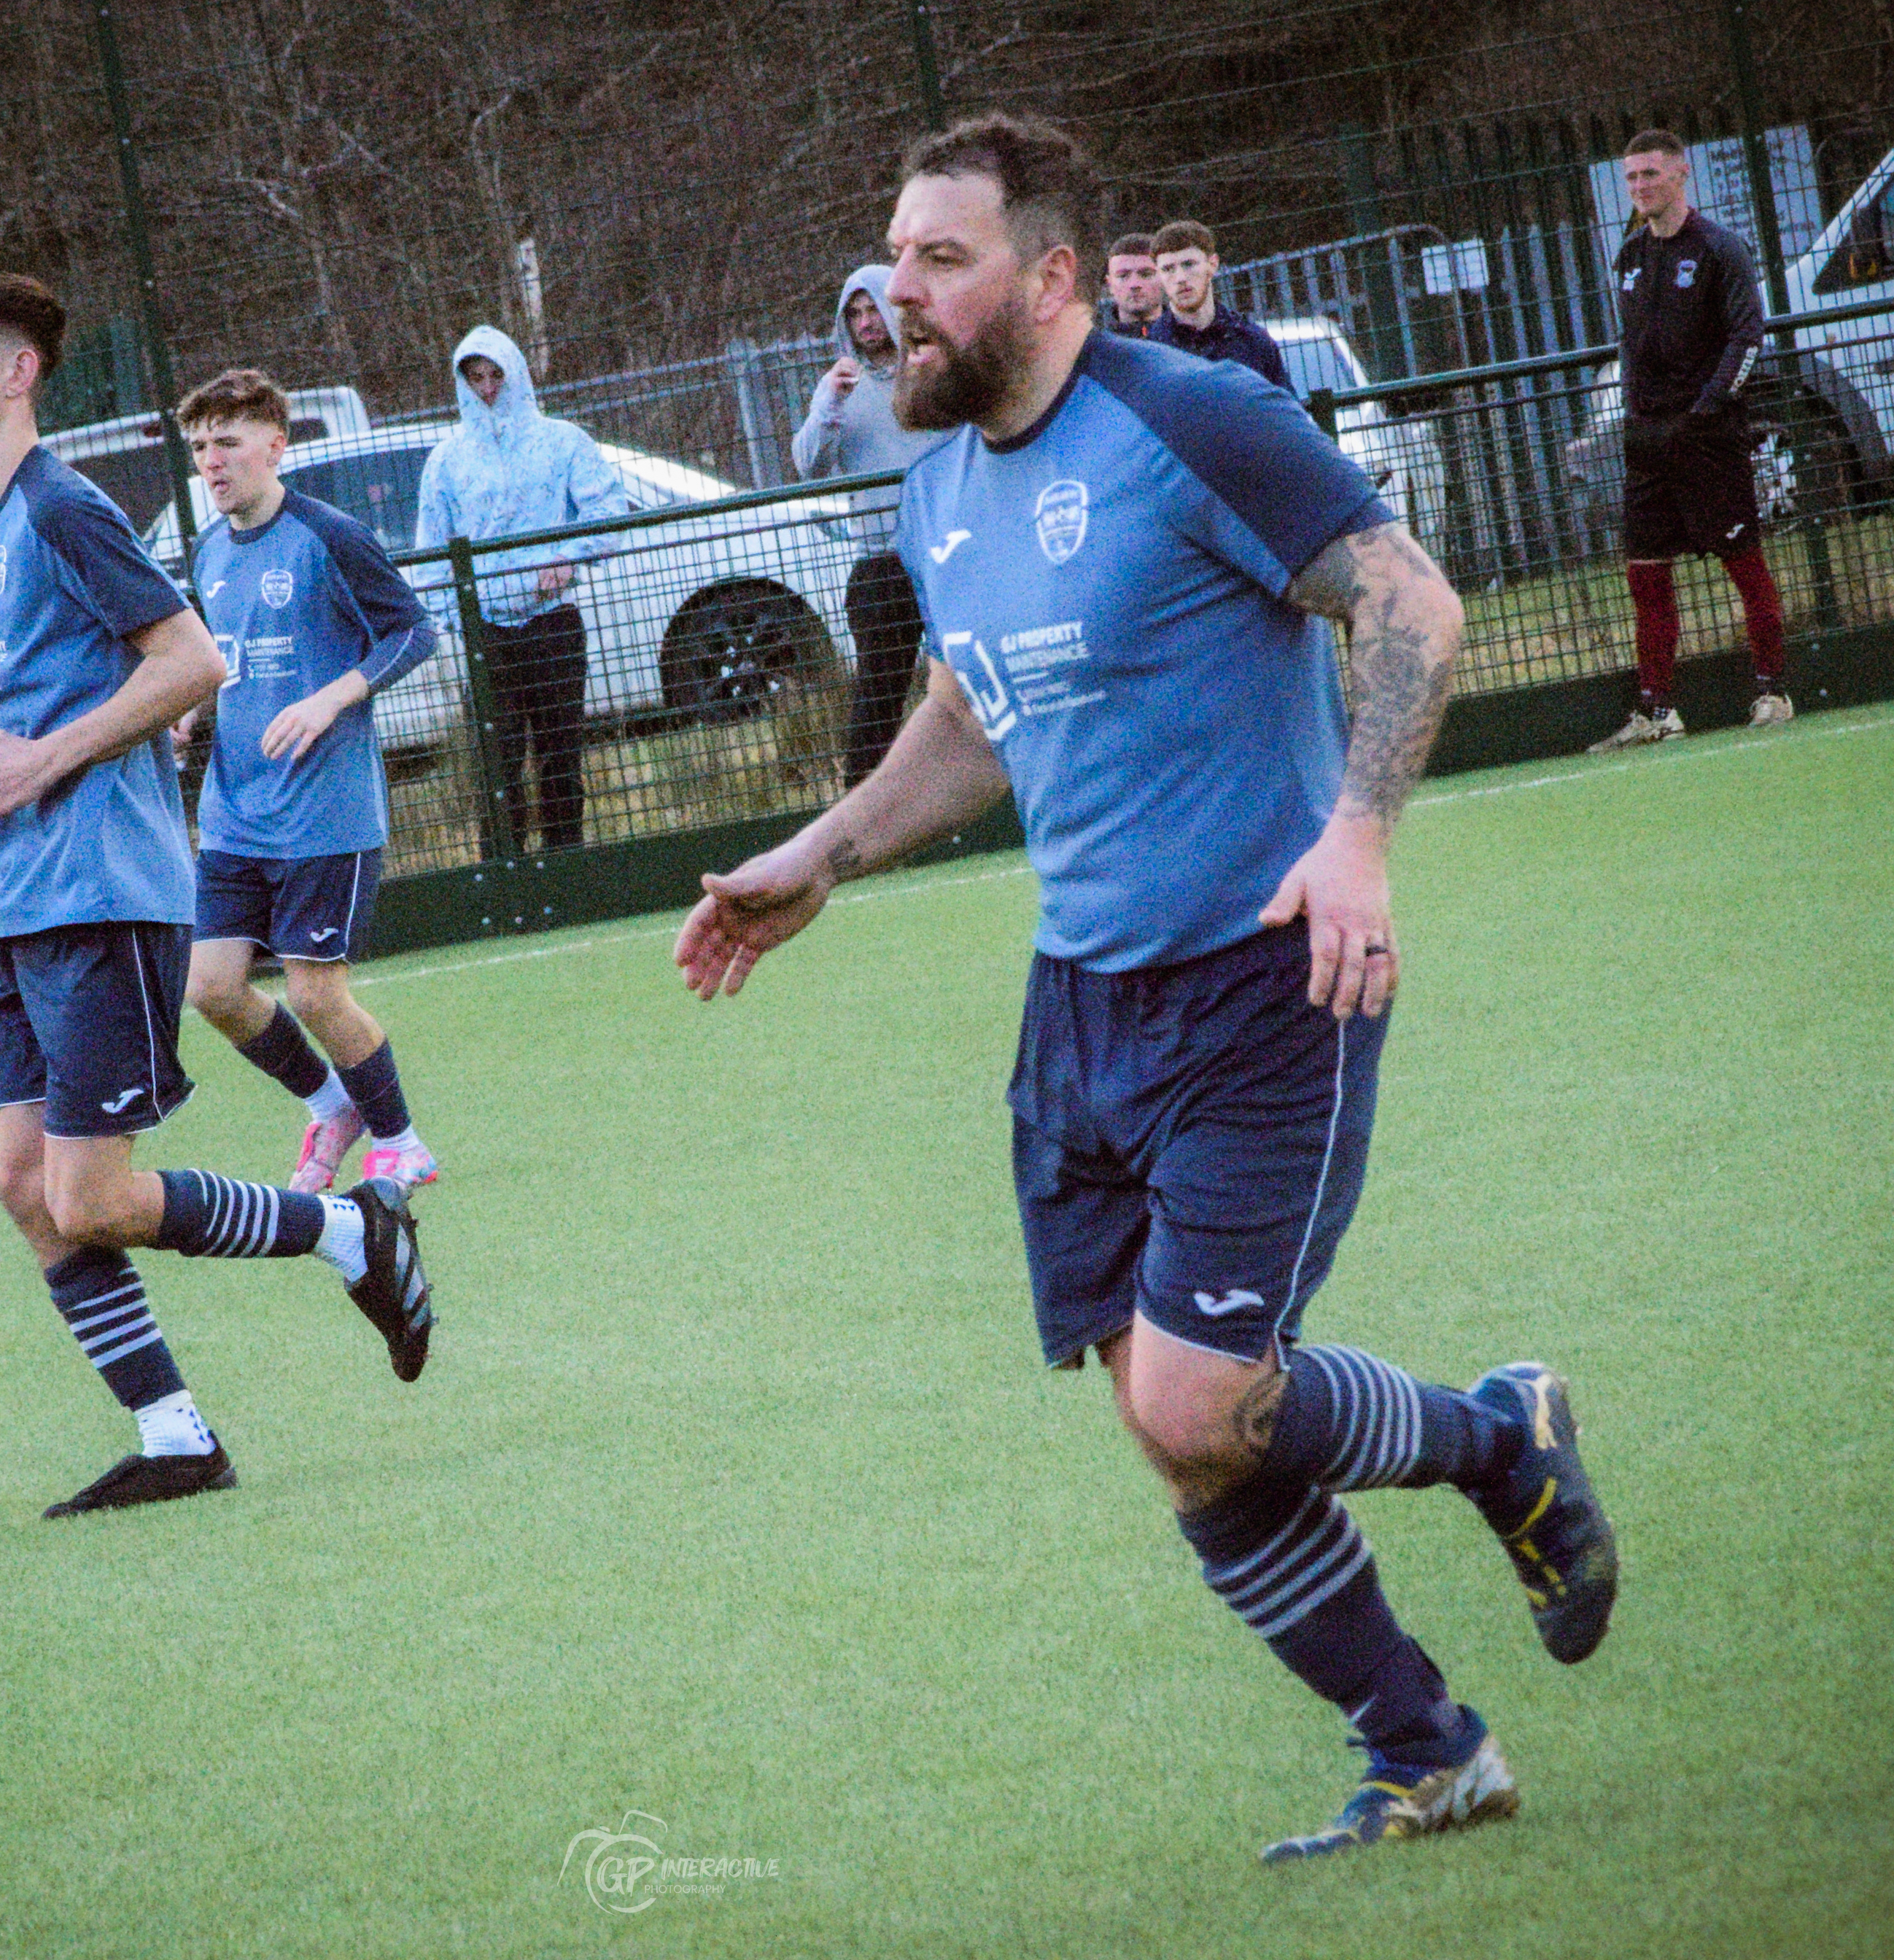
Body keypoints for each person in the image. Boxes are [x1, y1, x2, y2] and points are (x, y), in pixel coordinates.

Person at [674, 114, 1617, 1864]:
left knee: (1199, 1399)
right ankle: (1429, 1749)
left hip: (1263, 981)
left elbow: (1410, 606)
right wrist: (827, 850)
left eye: (941, 258)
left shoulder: (1194, 418)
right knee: (1177, 1435)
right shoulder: (935, 479)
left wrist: (1357, 837)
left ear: (1051, 279)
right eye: (894, 252)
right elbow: (972, 712)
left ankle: (1498, 1444)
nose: (898, 289)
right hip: (1081, 1010)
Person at [0, 272, 434, 1519]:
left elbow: (192, 661)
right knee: (25, 1188)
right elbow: (47, 720)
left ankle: (353, 1232)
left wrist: (42, 762)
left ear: (18, 372)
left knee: (89, 1197)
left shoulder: (63, 505)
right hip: (29, 901)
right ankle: (174, 1434)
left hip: (103, 900)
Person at [172, 368, 443, 1196]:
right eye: (199, 446)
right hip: (233, 812)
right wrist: (186, 709)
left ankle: (401, 1141)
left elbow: (414, 632)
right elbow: (215, 657)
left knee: (316, 994)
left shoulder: (329, 535)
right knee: (211, 989)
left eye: (227, 442)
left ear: (274, 446)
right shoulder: (207, 551)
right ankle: (331, 1107)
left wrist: (332, 697)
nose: (212, 461)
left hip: (324, 813)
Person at [1573, 130, 1788, 750]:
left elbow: (1747, 336)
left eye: (1650, 174)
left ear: (1680, 174)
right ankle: (1656, 711)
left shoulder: (1720, 248)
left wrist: (1705, 408)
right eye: (1631, 177)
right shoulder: (1629, 256)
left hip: (1707, 439)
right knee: (1644, 577)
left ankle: (1772, 691)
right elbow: (1631, 346)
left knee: (1744, 564)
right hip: (1647, 441)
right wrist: (1634, 415)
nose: (1640, 186)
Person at [413, 325, 629, 855]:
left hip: (553, 623)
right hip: (487, 631)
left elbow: (607, 512)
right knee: (498, 763)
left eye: (496, 375)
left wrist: (569, 557)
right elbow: (431, 550)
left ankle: (565, 865)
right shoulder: (446, 461)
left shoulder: (563, 441)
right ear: (463, 383)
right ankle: (504, 873)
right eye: (476, 378)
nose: (487, 388)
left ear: (515, 375)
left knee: (561, 758)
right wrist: (456, 614)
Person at [790, 266, 947, 787]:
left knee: (968, 677)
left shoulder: (934, 368)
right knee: (880, 687)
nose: (865, 323)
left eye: (873, 308)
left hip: (948, 551)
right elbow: (808, 464)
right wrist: (829, 405)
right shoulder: (839, 387)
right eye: (854, 314)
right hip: (881, 559)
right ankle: (862, 795)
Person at [1147, 219, 1289, 388]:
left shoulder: (1253, 342)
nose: (1180, 278)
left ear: (1213, 264)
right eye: (1168, 269)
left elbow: (1283, 403)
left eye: (1189, 264)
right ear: (1158, 275)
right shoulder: (1151, 351)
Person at [1103, 232, 1165, 336]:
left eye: (1146, 275)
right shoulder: (1086, 338)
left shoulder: (1189, 334)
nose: (1135, 284)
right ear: (1109, 284)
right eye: (1123, 276)